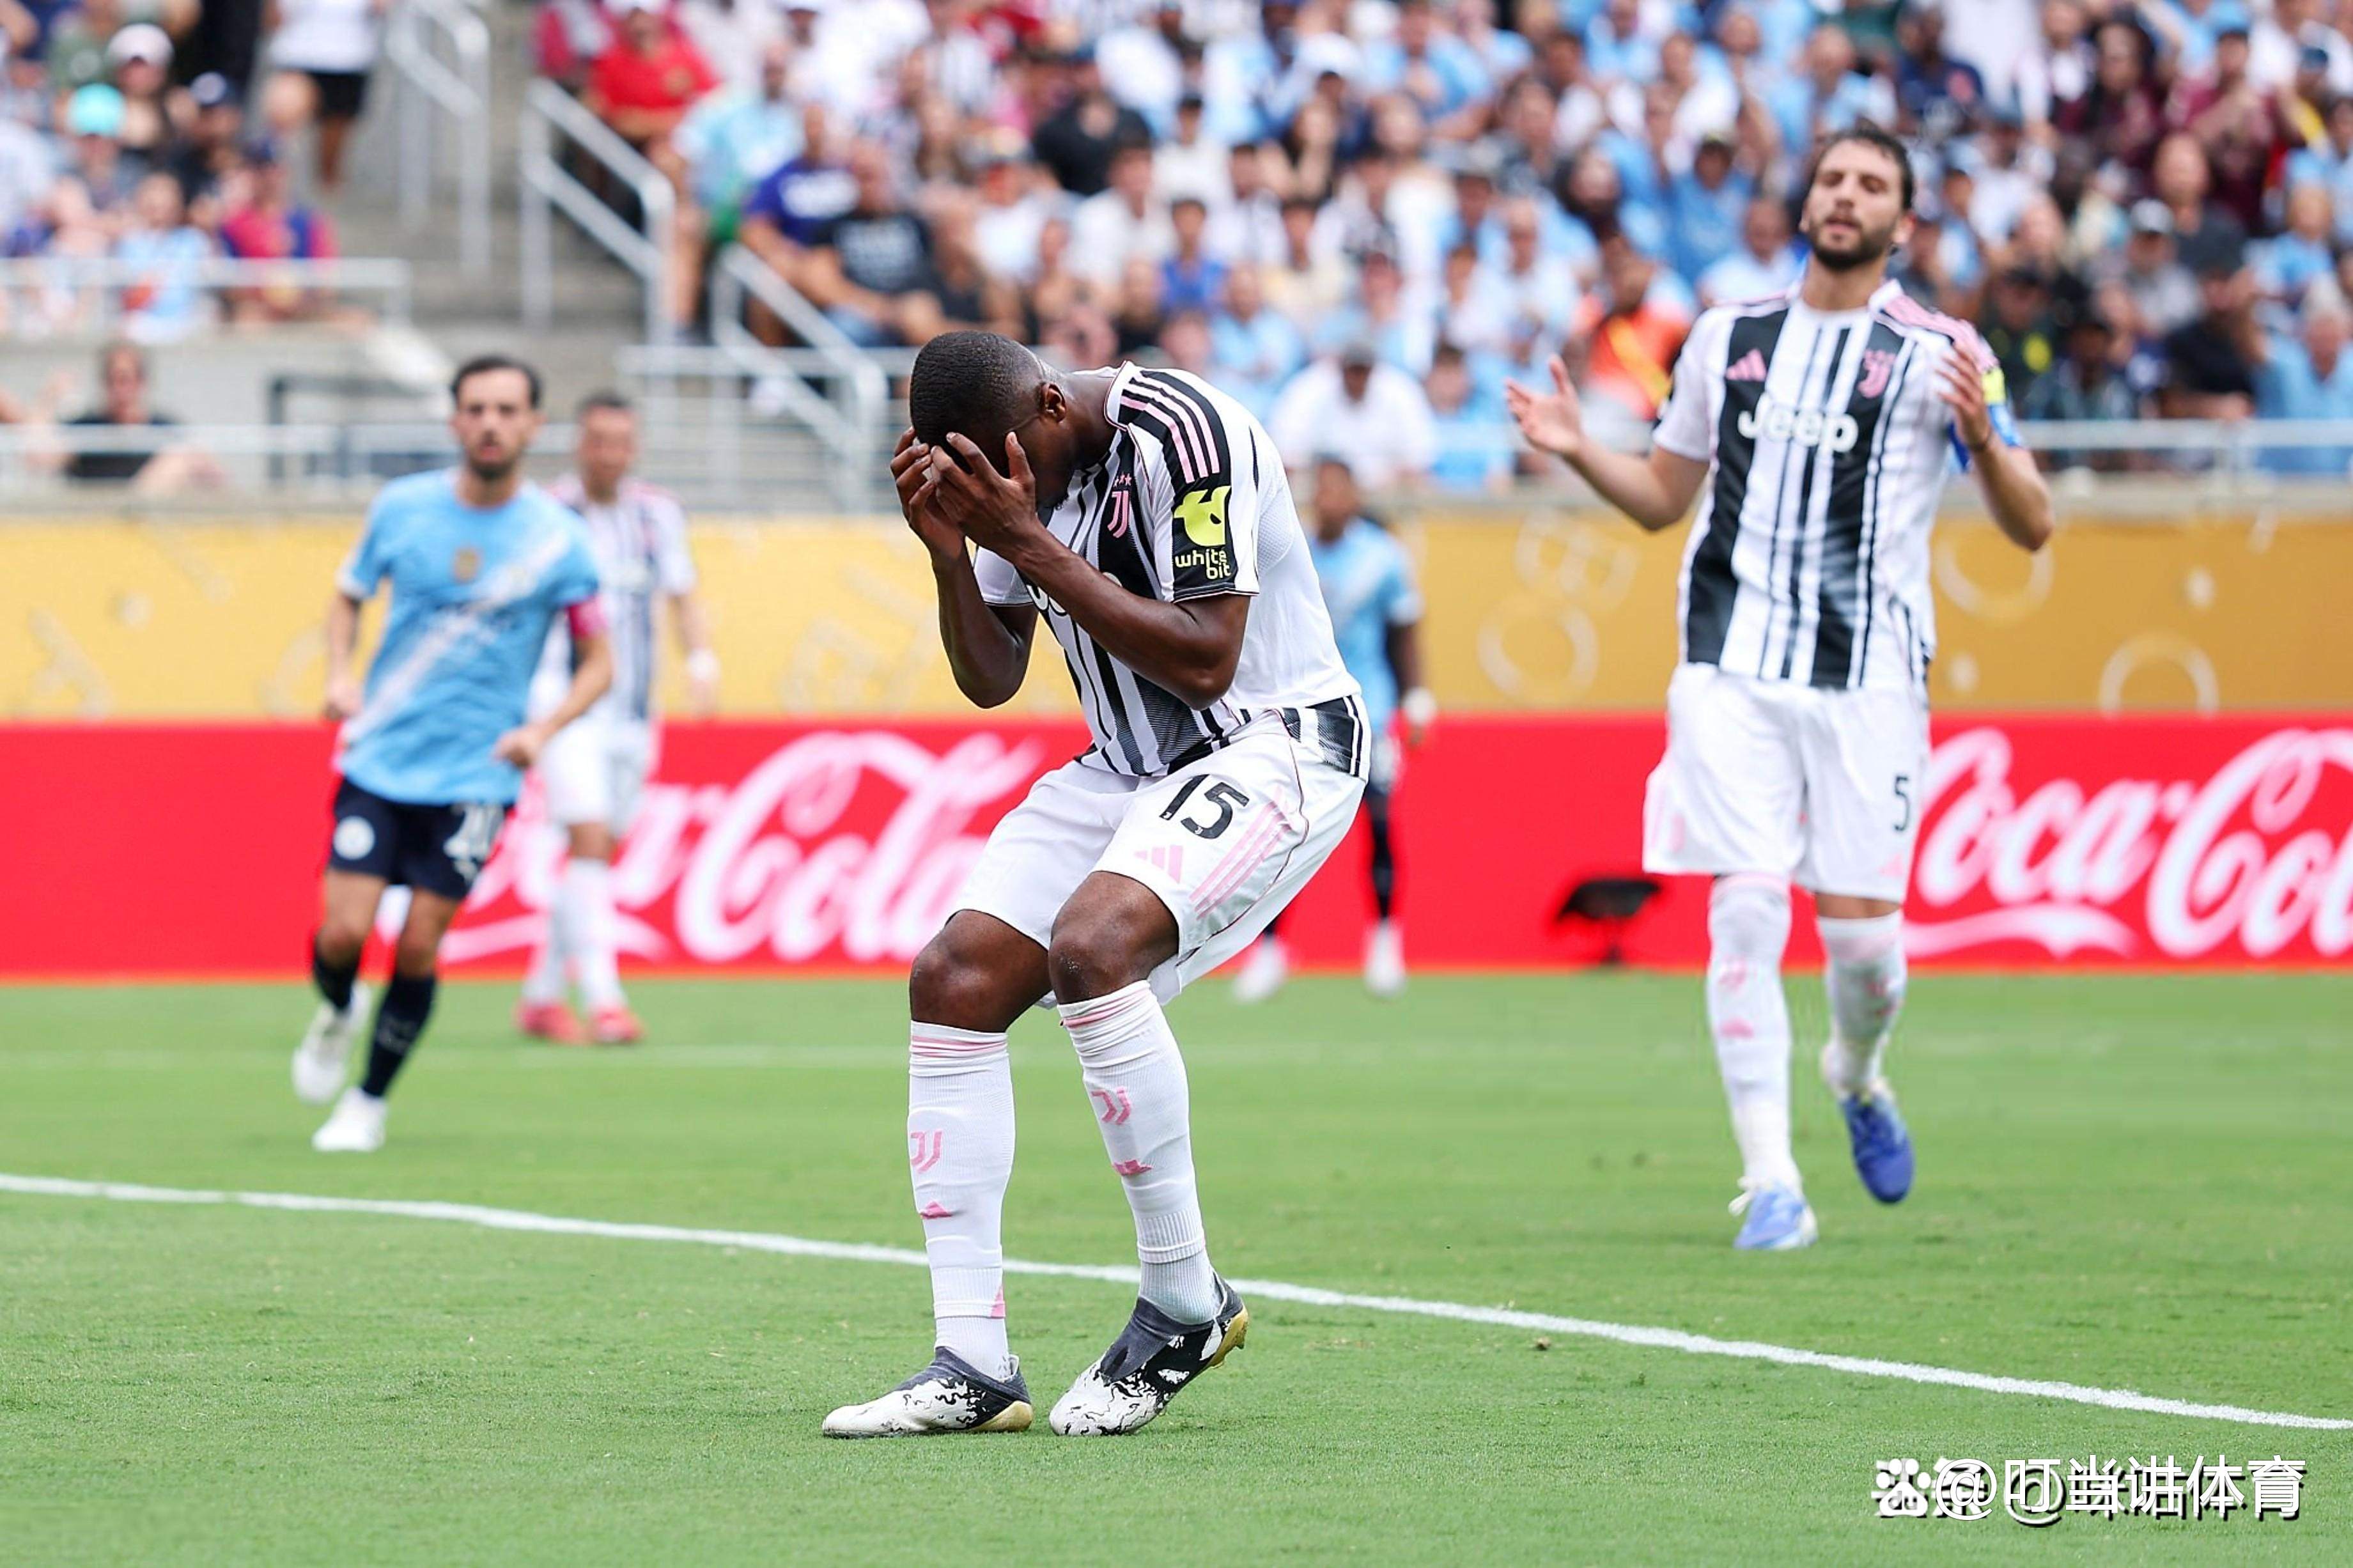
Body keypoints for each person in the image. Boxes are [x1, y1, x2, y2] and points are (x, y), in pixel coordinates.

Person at [1504, 128, 2054, 1251]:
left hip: (1868, 679)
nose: (1844, 195)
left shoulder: (1943, 349)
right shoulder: (1726, 336)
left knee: (1865, 956)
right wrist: (1573, 446)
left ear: (1903, 224)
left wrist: (1984, 437)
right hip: (1729, 661)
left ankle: (1854, 1073)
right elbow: (1665, 498)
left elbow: (2033, 520)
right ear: (1807, 202)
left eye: (1872, 186)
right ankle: (1771, 1182)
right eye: (1833, 178)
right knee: (1747, 902)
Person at [822, 330, 1366, 1438]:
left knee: (1092, 947)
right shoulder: (1002, 470)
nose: (1012, 494)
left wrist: (1023, 537)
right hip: (1128, 765)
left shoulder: (1188, 433)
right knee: (954, 977)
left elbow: (1209, 654)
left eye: (1019, 471)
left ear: (1052, 405)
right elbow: (993, 675)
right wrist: (949, 551)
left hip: (1271, 742)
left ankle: (1185, 1300)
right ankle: (972, 1360)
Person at [293, 357, 611, 1154]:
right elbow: (347, 594)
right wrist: (338, 671)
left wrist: (543, 731)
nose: (491, 423)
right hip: (381, 758)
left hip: (476, 775)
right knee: (341, 934)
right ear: (454, 421)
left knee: (421, 942)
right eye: (476, 408)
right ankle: (335, 1009)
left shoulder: (559, 541)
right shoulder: (402, 509)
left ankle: (367, 1101)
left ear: (535, 424)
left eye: (508, 408)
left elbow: (599, 660)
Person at [516, 392, 717, 1046]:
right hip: (563, 700)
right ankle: (604, 1000)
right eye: (596, 439)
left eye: (618, 441)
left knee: (594, 850)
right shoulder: (546, 513)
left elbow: (683, 593)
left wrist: (702, 661)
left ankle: (542, 995)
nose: (607, 452)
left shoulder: (657, 514)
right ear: (579, 445)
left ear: (634, 448)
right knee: (590, 837)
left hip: (633, 706)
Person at [1231, 456, 1429, 1003]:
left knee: (1380, 820)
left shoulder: (1382, 556)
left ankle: (1385, 941)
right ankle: (1269, 948)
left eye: (1337, 487)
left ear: (1355, 493)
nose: (1327, 498)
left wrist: (1417, 696)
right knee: (1282, 829)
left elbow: (1404, 630)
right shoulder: (1288, 548)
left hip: (1369, 705)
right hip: (1301, 709)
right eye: (1320, 488)